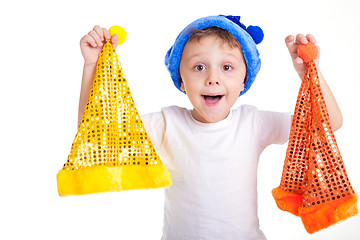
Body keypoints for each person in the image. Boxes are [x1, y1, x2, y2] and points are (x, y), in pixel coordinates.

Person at [78, 15, 342, 240]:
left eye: (227, 67)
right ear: (181, 79)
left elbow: (329, 123)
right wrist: (92, 65)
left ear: (244, 80)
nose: (213, 78)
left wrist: (310, 72)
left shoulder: (253, 123)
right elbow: (97, 135)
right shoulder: (168, 123)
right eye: (199, 67)